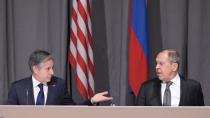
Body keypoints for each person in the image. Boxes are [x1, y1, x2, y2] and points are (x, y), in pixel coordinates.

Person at [7, 50, 112, 105]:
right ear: (35, 69)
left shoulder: (59, 85)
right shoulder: (18, 88)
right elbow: (8, 113)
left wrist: (92, 100)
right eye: (48, 69)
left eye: (52, 68)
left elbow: (73, 110)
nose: (52, 72)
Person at [136, 49, 204, 106]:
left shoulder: (193, 87)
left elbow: (201, 114)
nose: (157, 67)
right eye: (156, 63)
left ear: (174, 66)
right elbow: (138, 114)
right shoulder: (147, 87)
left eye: (161, 64)